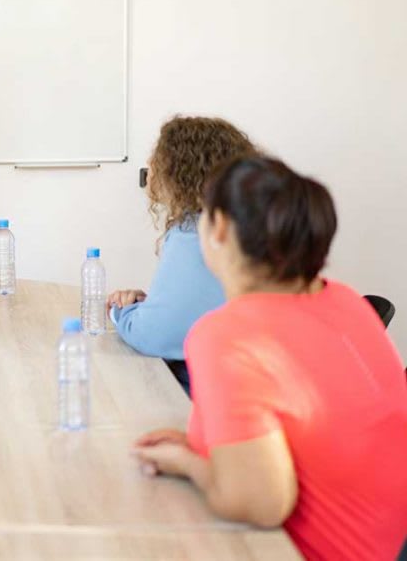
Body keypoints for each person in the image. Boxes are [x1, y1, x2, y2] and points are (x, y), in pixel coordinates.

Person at [133, 156, 407, 561]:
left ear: (220, 229)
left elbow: (259, 503)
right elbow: (303, 426)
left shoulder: (227, 336)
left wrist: (187, 465)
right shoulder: (343, 299)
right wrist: (202, 448)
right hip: (386, 541)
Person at [106, 116, 255, 388]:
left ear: (179, 171)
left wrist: (122, 312)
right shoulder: (250, 224)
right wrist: (148, 306)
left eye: (155, 160)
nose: (150, 169)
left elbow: (158, 335)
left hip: (219, 390)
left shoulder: (194, 232)